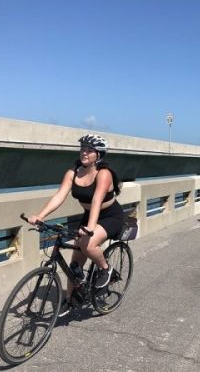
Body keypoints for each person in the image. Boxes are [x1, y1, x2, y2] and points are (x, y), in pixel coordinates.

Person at [27, 134, 123, 316]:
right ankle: (70, 300)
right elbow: (59, 196)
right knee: (75, 265)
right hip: (89, 217)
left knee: (88, 243)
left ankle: (106, 269)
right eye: (82, 149)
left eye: (89, 150)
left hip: (110, 216)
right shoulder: (73, 172)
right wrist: (40, 216)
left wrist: (91, 227)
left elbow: (96, 200)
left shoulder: (104, 174)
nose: (84, 153)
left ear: (99, 154)